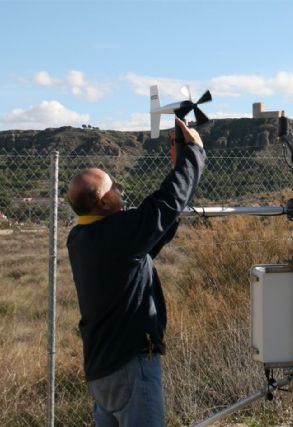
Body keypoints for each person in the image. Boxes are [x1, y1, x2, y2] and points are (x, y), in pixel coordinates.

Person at [66, 118, 205, 426]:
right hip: (130, 366)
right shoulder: (117, 234)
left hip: (102, 369)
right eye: (112, 187)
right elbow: (165, 203)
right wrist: (194, 151)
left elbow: (146, 240)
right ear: (103, 203)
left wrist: (179, 170)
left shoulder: (81, 238)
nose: (119, 189)